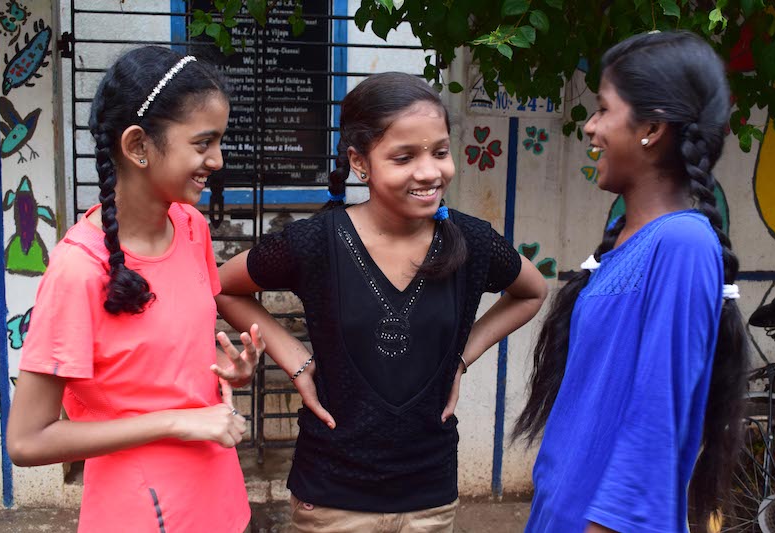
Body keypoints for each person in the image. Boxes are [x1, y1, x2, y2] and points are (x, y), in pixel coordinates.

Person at [216, 72, 548, 532]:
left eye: (440, 152)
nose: (430, 171)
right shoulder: (315, 242)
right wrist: (294, 359)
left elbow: (532, 292)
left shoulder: (472, 241)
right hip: (331, 499)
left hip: (430, 496)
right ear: (360, 162)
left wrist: (460, 359)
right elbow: (224, 287)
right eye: (404, 157)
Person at [6, 46, 262, 533]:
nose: (218, 159)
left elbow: (160, 359)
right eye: (204, 142)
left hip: (223, 505)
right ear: (138, 146)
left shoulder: (190, 226)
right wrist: (175, 420)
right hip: (140, 515)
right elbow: (26, 441)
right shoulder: (78, 269)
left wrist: (225, 372)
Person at [514, 31, 748, 532]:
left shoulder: (682, 245)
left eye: (603, 109)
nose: (591, 128)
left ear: (651, 128)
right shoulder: (627, 245)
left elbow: (654, 426)